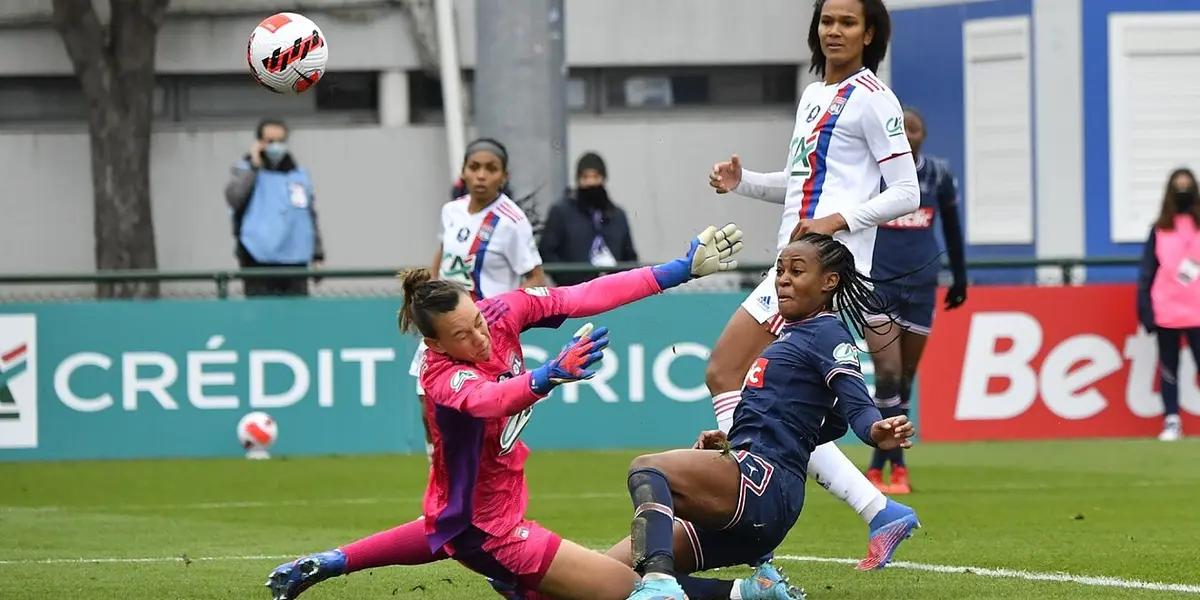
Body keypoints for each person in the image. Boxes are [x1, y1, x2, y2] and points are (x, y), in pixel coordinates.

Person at [265, 223, 746, 600]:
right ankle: (750, 592)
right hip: (495, 535)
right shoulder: (440, 376)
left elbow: (581, 295)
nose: (479, 337)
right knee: (637, 592)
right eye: (462, 335)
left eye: (476, 319)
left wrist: (678, 270)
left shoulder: (500, 312)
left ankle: (325, 562)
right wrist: (545, 376)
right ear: (433, 343)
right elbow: (488, 399)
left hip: (469, 521)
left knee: (589, 581)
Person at [705, 0, 920, 570]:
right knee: (775, 408)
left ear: (870, 33)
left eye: (848, 22)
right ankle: (879, 512)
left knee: (726, 373)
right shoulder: (813, 94)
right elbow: (804, 184)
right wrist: (744, 182)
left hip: (825, 267)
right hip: (794, 262)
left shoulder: (875, 99)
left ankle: (754, 507)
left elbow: (907, 192)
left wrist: (838, 222)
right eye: (827, 20)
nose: (834, 30)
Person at [609, 234, 915, 600]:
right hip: (755, 493)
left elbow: (856, 405)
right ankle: (749, 592)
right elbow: (820, 423)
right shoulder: (791, 336)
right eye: (781, 270)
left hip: (764, 486)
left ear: (829, 282)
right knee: (611, 574)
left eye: (797, 271)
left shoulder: (827, 333)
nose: (783, 279)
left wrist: (874, 429)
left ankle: (659, 583)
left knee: (649, 469)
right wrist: (733, 441)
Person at [408, 138, 547, 460]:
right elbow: (442, 255)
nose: (482, 175)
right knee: (424, 392)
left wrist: (513, 314)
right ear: (464, 173)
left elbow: (535, 275)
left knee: (481, 410)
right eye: (475, 167)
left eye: (490, 169)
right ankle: (437, 458)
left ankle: (509, 419)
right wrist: (426, 298)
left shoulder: (511, 222)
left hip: (482, 328)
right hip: (445, 322)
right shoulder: (451, 211)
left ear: (504, 176)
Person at [863, 106, 968, 494]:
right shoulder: (871, 174)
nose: (908, 135)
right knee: (887, 373)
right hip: (876, 282)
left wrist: (960, 277)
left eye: (915, 128)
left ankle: (878, 468)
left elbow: (954, 229)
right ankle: (900, 466)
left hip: (922, 283)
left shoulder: (938, 174)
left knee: (905, 379)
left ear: (924, 135)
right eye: (901, 129)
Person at [224, 118, 325, 296]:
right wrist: (254, 166)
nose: (276, 146)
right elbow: (234, 198)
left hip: (295, 259)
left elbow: (309, 216)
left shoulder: (298, 176)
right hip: (258, 257)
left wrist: (317, 255)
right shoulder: (244, 170)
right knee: (261, 316)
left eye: (280, 141)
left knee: (296, 318)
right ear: (259, 142)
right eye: (270, 141)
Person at [1137, 167, 1200, 442]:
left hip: (1198, 310)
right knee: (1168, 367)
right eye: (1178, 186)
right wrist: (1145, 308)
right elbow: (1147, 271)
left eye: (1188, 185)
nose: (1183, 191)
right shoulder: (1159, 229)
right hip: (1167, 310)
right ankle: (1172, 419)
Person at [539, 152, 639, 286]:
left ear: (603, 178)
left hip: (614, 291)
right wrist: (567, 281)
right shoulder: (561, 212)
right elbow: (547, 252)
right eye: (585, 177)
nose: (591, 182)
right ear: (578, 179)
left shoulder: (617, 215)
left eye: (596, 177)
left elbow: (629, 256)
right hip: (574, 292)